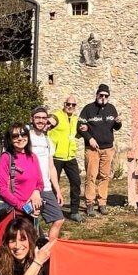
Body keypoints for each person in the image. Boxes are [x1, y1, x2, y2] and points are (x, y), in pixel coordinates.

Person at [79, 84, 122, 216]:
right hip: (93, 149)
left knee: (105, 176)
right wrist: (89, 138)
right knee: (91, 176)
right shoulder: (88, 109)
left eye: (106, 96)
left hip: (108, 149)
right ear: (97, 95)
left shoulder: (111, 108)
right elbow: (80, 126)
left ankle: (102, 203)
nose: (103, 97)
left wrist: (118, 122)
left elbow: (116, 127)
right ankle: (90, 203)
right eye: (101, 95)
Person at [28, 106, 67, 242]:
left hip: (45, 188)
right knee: (28, 224)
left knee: (59, 219)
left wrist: (58, 190)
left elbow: (51, 167)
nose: (41, 121)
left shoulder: (48, 141)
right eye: (37, 117)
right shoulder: (26, 138)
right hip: (28, 189)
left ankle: (50, 251)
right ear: (31, 119)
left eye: (44, 118)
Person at [48, 95, 83, 222]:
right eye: (68, 104)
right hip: (56, 156)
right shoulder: (57, 115)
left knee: (76, 182)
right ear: (64, 104)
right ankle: (53, 211)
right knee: (53, 183)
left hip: (70, 156)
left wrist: (83, 129)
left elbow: (75, 134)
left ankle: (74, 211)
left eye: (73, 105)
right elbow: (51, 120)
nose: (70, 107)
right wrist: (49, 122)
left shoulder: (74, 119)